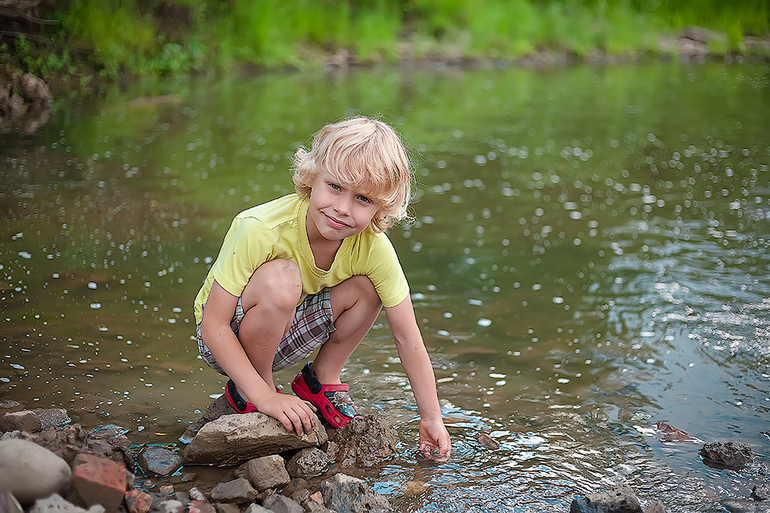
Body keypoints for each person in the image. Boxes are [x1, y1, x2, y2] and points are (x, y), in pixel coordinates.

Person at [193, 116, 451, 460]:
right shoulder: (259, 228)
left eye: (363, 199)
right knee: (283, 277)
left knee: (369, 287)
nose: (342, 209)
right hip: (227, 338)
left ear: (381, 207)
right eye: (335, 187)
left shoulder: (373, 247)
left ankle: (321, 380)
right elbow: (213, 326)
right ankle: (254, 386)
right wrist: (267, 398)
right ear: (313, 177)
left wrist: (432, 417)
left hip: (286, 330)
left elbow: (407, 335)